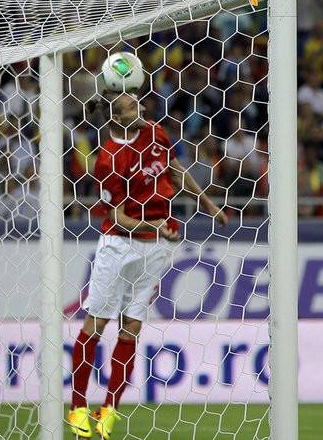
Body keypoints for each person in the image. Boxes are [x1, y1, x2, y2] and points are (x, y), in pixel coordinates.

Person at [67, 90, 227, 439]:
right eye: (131, 106)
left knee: (132, 328)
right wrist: (153, 226)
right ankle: (77, 407)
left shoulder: (156, 132)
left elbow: (176, 170)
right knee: (97, 323)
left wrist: (208, 204)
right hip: (119, 247)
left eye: (138, 102)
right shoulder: (109, 159)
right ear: (116, 118)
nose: (141, 108)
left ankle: (109, 410)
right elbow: (117, 217)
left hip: (154, 248)